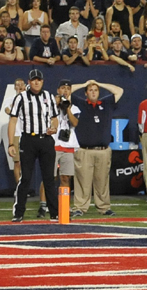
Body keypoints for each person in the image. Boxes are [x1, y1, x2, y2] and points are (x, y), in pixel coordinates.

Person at [7, 69, 58, 223]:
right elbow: (13, 120)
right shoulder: (21, 97)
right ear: (29, 82)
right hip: (29, 140)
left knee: (49, 178)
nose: (36, 82)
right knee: (26, 177)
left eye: (39, 80)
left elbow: (54, 118)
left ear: (42, 81)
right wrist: (10, 143)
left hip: (46, 140)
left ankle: (55, 213)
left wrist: (54, 127)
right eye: (33, 80)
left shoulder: (48, 96)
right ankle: (19, 212)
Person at [69, 80, 122, 217]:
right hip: (84, 150)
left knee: (102, 181)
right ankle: (79, 207)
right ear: (86, 93)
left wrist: (98, 83)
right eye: (90, 90)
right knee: (82, 182)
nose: (93, 92)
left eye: (96, 90)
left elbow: (119, 90)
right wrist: (84, 84)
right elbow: (66, 92)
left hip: (103, 150)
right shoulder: (80, 104)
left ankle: (104, 207)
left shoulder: (106, 103)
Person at [41, 79, 81, 217]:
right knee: (49, 177)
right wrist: (56, 103)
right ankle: (44, 205)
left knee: (65, 178)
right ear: (58, 90)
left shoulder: (74, 107)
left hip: (68, 146)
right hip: (52, 144)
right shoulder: (50, 105)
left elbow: (74, 123)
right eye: (63, 88)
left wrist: (67, 108)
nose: (65, 90)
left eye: (68, 88)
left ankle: (64, 205)